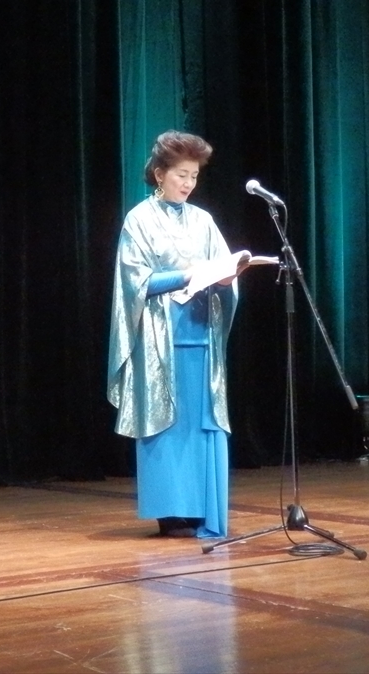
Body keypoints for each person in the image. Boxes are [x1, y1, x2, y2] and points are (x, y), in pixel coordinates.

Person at [107, 131, 244, 539]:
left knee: (202, 424)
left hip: (201, 337)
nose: (188, 183)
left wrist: (225, 279)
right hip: (159, 342)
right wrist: (186, 275)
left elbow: (223, 268)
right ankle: (170, 511)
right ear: (159, 174)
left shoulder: (203, 220)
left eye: (194, 176)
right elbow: (135, 281)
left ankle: (203, 508)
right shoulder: (139, 220)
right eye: (181, 174)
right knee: (167, 427)